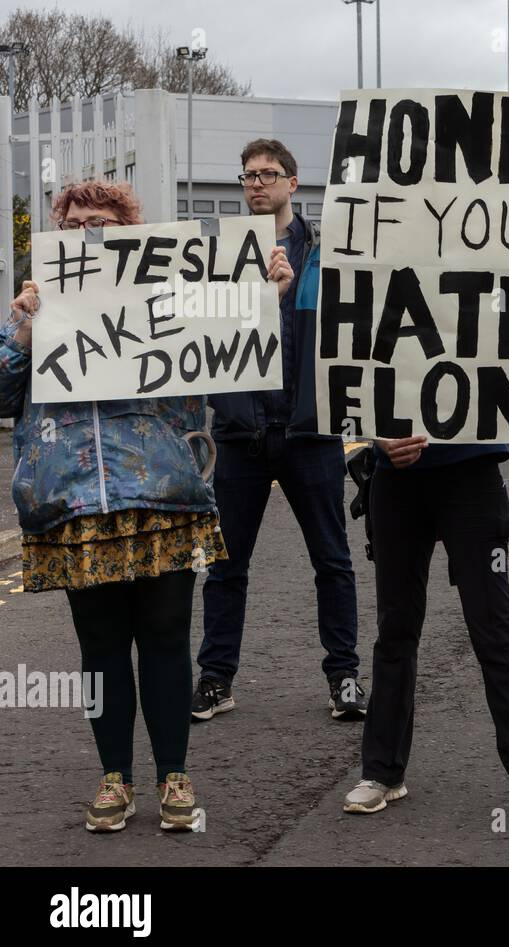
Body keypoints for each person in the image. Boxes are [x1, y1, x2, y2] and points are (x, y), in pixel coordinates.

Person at [0, 180, 288, 832]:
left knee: (164, 639)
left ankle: (174, 777)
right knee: (100, 647)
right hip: (75, 502)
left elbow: (236, 351)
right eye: (75, 224)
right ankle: (115, 779)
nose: (88, 233)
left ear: (129, 233)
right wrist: (21, 325)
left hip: (162, 493)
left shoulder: (171, 297)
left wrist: (265, 293)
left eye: (102, 222)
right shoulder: (36, 307)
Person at [193, 139, 367, 722]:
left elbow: (352, 326)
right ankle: (216, 678)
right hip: (241, 431)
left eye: (269, 174)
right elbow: (203, 334)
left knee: (333, 560)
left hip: (309, 430)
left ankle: (343, 675)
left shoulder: (324, 250)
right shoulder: (217, 254)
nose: (257, 184)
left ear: (294, 183)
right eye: (248, 175)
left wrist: (291, 294)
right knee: (225, 565)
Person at [341, 435, 509, 828]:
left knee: (494, 629)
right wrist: (379, 440)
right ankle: (381, 771)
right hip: (396, 478)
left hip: (471, 472)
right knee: (395, 629)